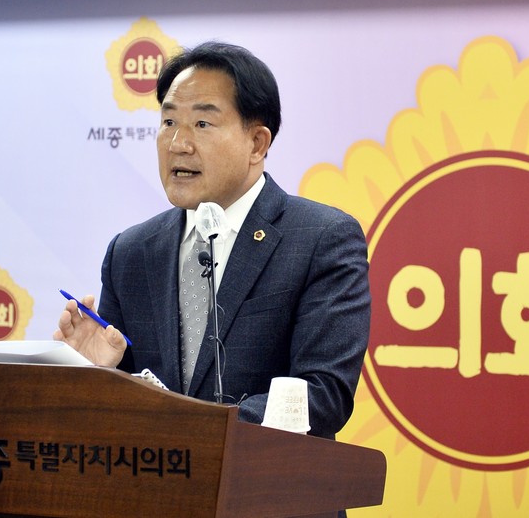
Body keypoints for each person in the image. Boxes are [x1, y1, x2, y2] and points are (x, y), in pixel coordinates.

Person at [54, 41, 370, 441]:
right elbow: (119, 409)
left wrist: (194, 427)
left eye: (202, 124)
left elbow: (322, 395)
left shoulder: (321, 239)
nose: (177, 144)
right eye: (169, 122)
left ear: (257, 143)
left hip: (269, 478)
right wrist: (96, 376)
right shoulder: (131, 252)